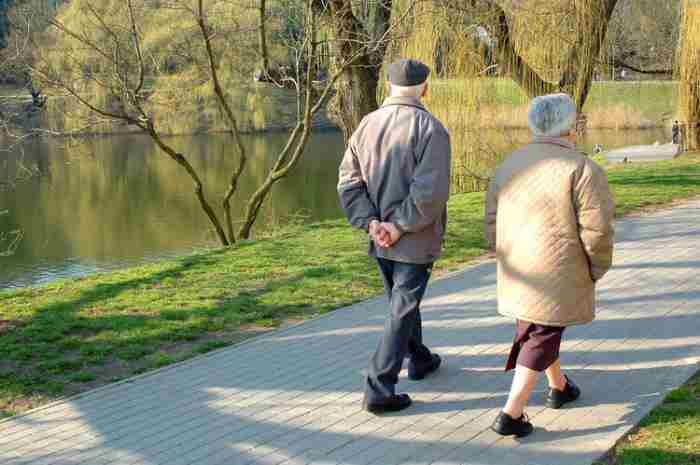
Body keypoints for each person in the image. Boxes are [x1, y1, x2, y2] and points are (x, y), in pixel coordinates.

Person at [485, 93, 615, 437]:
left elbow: (491, 218)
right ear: (570, 127)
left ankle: (559, 386)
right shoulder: (582, 168)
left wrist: (499, 254)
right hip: (559, 266)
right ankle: (511, 414)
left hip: (518, 266)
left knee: (538, 326)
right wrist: (598, 267)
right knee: (542, 332)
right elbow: (597, 229)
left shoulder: (510, 163)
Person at [337, 59, 451, 414]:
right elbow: (429, 192)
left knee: (402, 305)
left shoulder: (366, 125)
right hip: (411, 238)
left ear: (388, 86)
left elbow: (348, 181)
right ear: (425, 89)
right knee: (402, 308)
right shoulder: (430, 128)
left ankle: (420, 359)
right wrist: (397, 226)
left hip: (380, 238)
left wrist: (371, 223)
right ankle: (379, 387)